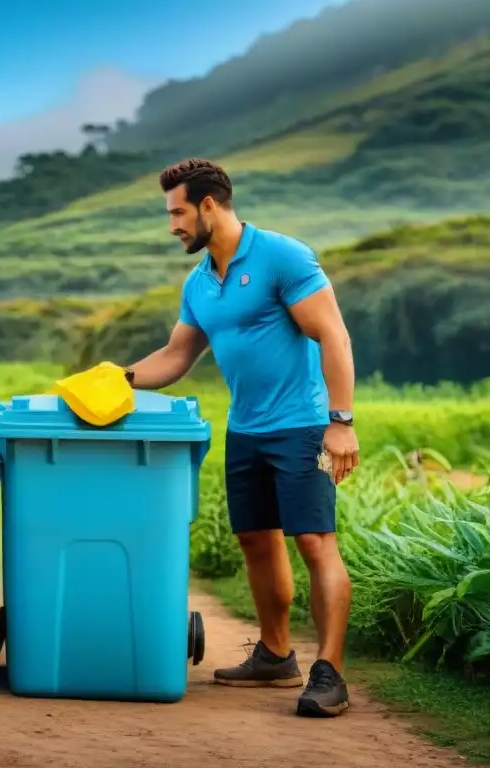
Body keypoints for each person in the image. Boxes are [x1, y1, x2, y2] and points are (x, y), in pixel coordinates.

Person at [121, 158, 359, 718]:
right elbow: (177, 355)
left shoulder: (282, 256)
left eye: (178, 212)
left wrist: (341, 422)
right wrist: (115, 380)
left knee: (314, 540)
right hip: (246, 429)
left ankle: (331, 673)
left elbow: (333, 335)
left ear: (208, 205)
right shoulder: (200, 281)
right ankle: (276, 656)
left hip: (303, 425)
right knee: (255, 538)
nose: (173, 225)